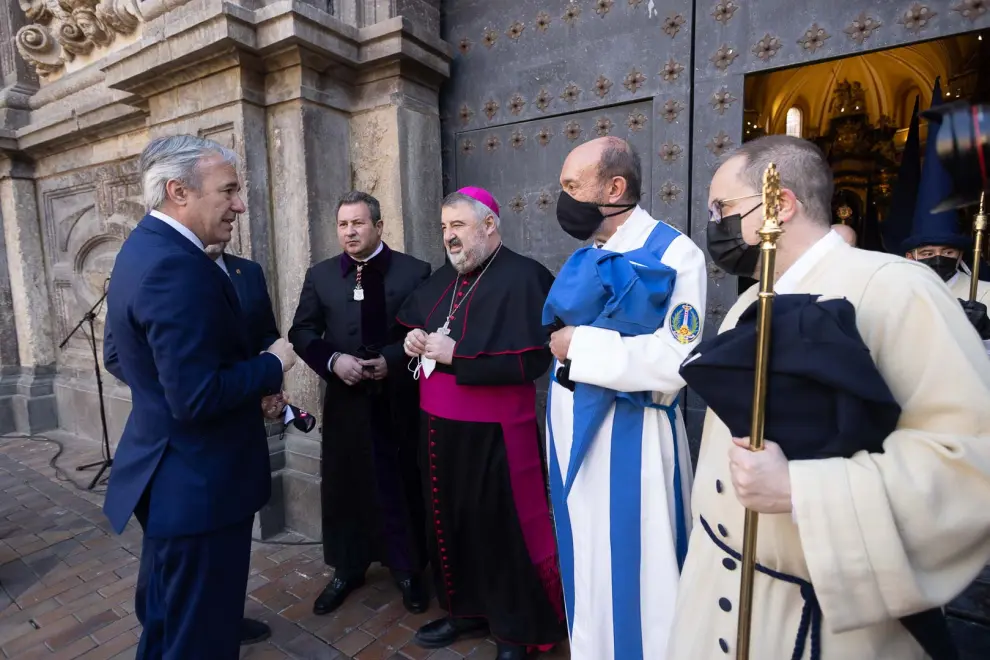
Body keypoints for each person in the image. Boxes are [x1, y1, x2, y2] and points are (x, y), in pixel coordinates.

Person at [667, 134, 990, 659]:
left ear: (780, 205)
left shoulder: (897, 289)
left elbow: (970, 465)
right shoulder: (747, 301)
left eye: (722, 207)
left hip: (825, 623)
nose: (714, 222)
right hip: (716, 596)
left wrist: (802, 489)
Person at [102, 135, 297, 660]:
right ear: (178, 191)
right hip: (199, 485)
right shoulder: (177, 267)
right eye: (228, 190)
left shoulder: (140, 247)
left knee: (170, 623)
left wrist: (164, 391)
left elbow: (119, 357)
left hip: (168, 476)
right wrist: (272, 364)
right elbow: (196, 397)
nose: (239, 204)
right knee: (200, 638)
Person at [542, 137, 706, 660]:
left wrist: (579, 345)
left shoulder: (676, 253)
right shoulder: (590, 249)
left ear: (615, 187)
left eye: (572, 186)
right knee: (586, 557)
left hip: (634, 437)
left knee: (640, 573)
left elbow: (676, 358)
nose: (563, 197)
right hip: (574, 428)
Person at [398, 187, 565, 660]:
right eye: (445, 227)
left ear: (489, 225)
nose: (449, 236)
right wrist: (414, 338)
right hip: (438, 429)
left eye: (459, 226)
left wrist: (459, 355)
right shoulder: (443, 279)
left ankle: (517, 629)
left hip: (496, 433)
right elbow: (422, 321)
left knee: (503, 529)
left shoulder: (526, 276)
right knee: (450, 524)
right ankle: (465, 611)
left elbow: (533, 358)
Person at [287, 191, 431, 616]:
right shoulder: (322, 276)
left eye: (358, 224)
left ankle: (407, 569)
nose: (350, 232)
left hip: (398, 399)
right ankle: (347, 568)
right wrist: (334, 361)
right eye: (343, 225)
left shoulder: (414, 271)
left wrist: (390, 360)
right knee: (346, 484)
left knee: (402, 480)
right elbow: (301, 332)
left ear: (379, 226)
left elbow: (427, 328)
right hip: (346, 401)